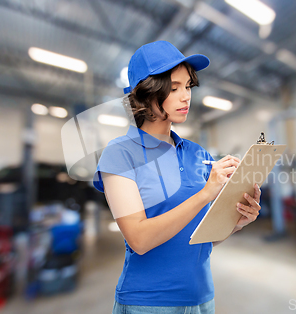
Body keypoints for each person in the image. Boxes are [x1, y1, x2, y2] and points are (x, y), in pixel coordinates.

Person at [92, 41, 262, 314]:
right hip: (148, 303)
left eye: (188, 86)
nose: (186, 97)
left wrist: (237, 222)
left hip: (202, 299)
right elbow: (139, 239)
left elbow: (200, 239)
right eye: (174, 88)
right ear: (147, 94)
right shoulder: (120, 154)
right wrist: (206, 193)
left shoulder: (198, 154)